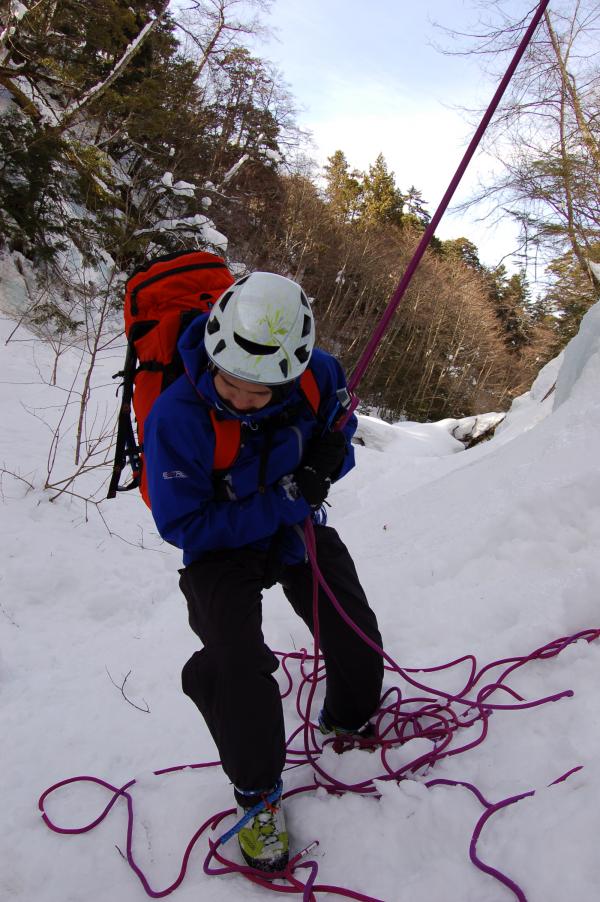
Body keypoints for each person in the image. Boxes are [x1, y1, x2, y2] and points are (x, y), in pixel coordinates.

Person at [143, 271, 383, 873]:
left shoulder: (318, 375)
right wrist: (286, 498)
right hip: (220, 545)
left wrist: (330, 461)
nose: (241, 400)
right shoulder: (176, 417)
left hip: (293, 524)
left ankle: (346, 720)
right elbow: (183, 524)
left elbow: (339, 430)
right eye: (230, 383)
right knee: (236, 664)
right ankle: (257, 795)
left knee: (354, 630)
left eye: (260, 392)